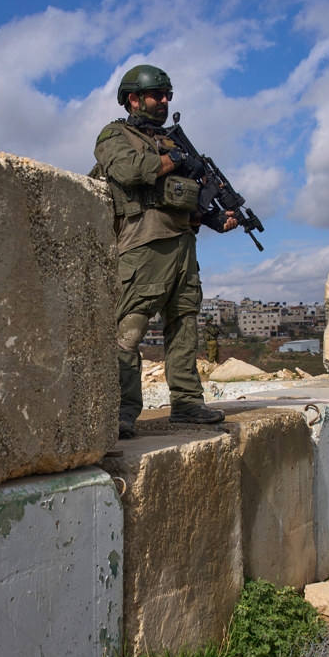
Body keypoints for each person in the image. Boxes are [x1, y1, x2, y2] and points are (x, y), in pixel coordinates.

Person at [94, 64, 238, 439]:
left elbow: (185, 196)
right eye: (156, 94)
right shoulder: (115, 135)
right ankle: (124, 410)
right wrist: (176, 160)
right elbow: (128, 172)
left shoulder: (174, 144)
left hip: (182, 247)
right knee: (129, 328)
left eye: (167, 95)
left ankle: (188, 402)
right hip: (143, 244)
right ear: (133, 99)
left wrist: (214, 218)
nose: (163, 101)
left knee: (184, 323)